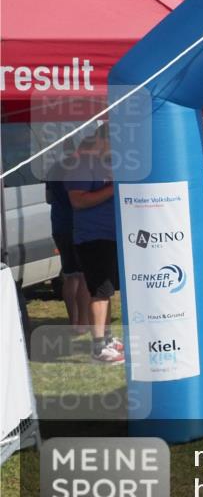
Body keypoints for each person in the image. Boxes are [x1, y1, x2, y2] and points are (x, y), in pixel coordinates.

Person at [65, 125, 123, 364]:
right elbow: (77, 200)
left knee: (105, 291)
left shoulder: (105, 164)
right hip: (92, 237)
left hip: (108, 236)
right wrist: (113, 188)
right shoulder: (80, 165)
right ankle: (98, 347)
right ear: (101, 140)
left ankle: (106, 338)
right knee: (99, 291)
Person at [45, 149, 90, 332]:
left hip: (59, 225)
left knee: (70, 275)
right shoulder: (83, 168)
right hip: (79, 225)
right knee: (84, 276)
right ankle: (84, 323)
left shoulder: (54, 168)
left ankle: (73, 321)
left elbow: (48, 199)